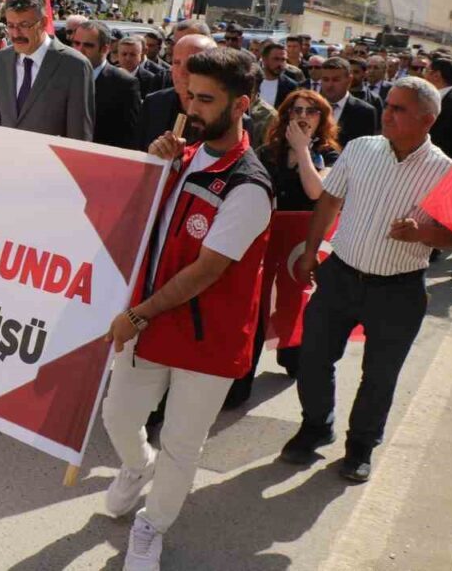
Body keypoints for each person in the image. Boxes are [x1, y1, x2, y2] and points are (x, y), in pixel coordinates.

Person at [101, 48, 274, 571]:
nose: (191, 108)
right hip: (151, 319)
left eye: (205, 100)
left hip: (204, 337)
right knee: (118, 415)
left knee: (181, 444)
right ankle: (136, 466)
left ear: (241, 104)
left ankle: (150, 528)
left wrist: (136, 315)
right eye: (187, 95)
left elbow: (205, 271)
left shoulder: (250, 186)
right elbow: (144, 227)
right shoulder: (182, 153)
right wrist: (154, 168)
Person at [281, 77, 452, 482]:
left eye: (400, 109)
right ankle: (315, 426)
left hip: (398, 290)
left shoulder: (446, 173)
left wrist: (422, 234)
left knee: (379, 375)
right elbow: (329, 200)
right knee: (312, 357)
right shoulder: (361, 149)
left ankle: (360, 446)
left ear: (427, 120)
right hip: (340, 275)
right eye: (389, 104)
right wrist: (311, 252)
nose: (388, 114)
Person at [232, 90, 341, 402]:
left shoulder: (330, 155)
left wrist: (303, 152)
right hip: (265, 241)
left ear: (322, 119)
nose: (303, 116)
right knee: (256, 310)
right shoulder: (268, 153)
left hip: (302, 247)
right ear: (286, 116)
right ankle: (240, 383)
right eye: (296, 110)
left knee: (295, 305)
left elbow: (316, 192)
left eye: (311, 111)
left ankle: (291, 353)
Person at [0, 0, 94, 141]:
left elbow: (79, 136)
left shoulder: (75, 66)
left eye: (24, 25)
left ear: (43, 23)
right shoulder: (2, 59)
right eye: (11, 25)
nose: (16, 34)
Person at [136, 34, 217, 152]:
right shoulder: (153, 103)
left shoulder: (229, 115)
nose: (182, 72)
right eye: (176, 62)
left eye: (191, 64)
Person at [73, 20, 141, 150]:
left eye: (88, 45)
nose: (79, 50)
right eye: (76, 43)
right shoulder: (63, 75)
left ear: (105, 49)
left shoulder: (125, 84)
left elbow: (130, 136)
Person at [319, 58, 377, 146]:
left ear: (349, 80)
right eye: (325, 79)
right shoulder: (311, 106)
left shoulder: (364, 112)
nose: (329, 85)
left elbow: (363, 149)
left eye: (336, 80)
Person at [258, 40, 298, 110]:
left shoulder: (291, 86)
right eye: (276, 59)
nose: (280, 64)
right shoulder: (251, 81)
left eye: (283, 60)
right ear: (264, 59)